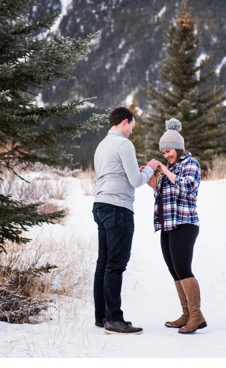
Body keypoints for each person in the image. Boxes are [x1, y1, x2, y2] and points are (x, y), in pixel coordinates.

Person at [92, 106, 159, 334]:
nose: (132, 131)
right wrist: (150, 169)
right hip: (118, 208)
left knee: (103, 263)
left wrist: (140, 173)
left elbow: (114, 174)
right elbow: (135, 180)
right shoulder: (123, 144)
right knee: (115, 264)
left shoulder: (102, 145)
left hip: (100, 205)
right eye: (132, 126)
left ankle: (102, 317)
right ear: (124, 122)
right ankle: (114, 319)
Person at [148, 118, 207, 334]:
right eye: (163, 153)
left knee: (183, 268)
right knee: (174, 270)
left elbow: (186, 188)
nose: (166, 155)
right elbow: (164, 196)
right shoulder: (170, 169)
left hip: (185, 223)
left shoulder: (190, 164)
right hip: (168, 224)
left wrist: (165, 170)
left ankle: (197, 316)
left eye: (169, 151)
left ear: (178, 147)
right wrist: (152, 182)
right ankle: (186, 314)